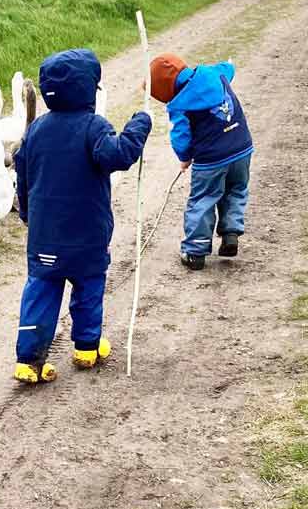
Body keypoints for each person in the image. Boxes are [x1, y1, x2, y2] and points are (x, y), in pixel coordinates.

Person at [13, 48, 151, 384]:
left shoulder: (36, 129)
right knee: (89, 285)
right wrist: (139, 125)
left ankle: (28, 360)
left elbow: (23, 173)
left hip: (44, 236)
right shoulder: (94, 127)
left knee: (41, 289)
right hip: (87, 234)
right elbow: (118, 156)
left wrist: (29, 215)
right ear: (88, 88)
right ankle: (86, 347)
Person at [149, 53, 253, 270]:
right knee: (236, 189)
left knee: (204, 199)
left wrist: (185, 158)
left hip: (210, 160)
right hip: (242, 148)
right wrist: (229, 63)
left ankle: (195, 251)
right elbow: (228, 68)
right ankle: (231, 233)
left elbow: (181, 137)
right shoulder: (214, 73)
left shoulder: (180, 105)